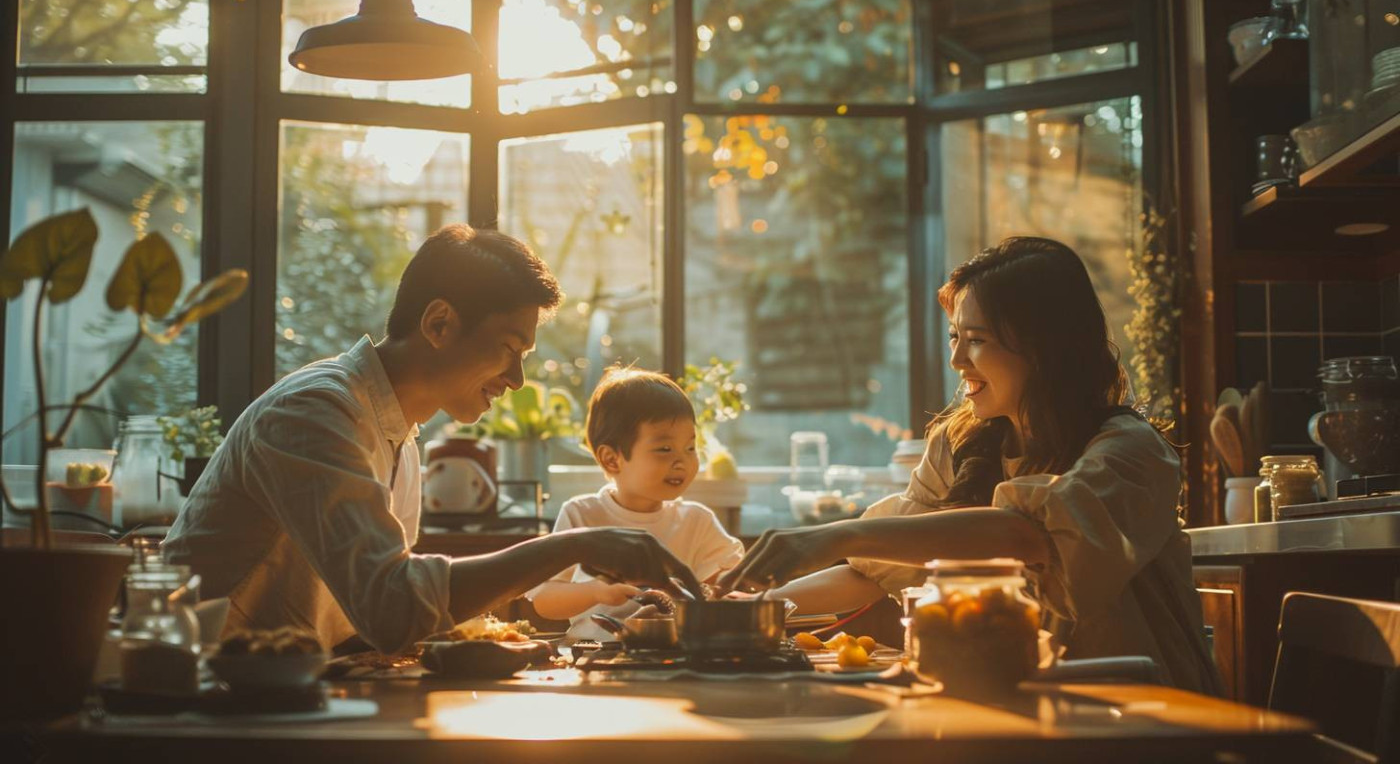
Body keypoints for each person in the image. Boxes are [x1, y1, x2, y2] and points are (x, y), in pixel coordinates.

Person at [163, 226, 702, 654]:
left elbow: (369, 621)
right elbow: (391, 605)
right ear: (440, 323)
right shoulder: (315, 412)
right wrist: (578, 544)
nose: (516, 380)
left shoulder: (400, 433)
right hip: (204, 702)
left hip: (286, 693)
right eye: (509, 348)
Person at [719, 236, 1221, 694]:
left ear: (1046, 349)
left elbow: (1029, 538)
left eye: (977, 339)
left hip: (1139, 711)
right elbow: (875, 571)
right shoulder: (957, 443)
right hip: (1008, 702)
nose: (957, 359)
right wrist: (741, 610)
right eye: (955, 337)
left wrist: (838, 534)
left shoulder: (1130, 452)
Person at [529, 368, 744, 634]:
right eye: (664, 449)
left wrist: (718, 589)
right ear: (612, 459)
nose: (682, 461)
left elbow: (725, 585)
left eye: (690, 448)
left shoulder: (697, 521)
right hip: (595, 659)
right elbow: (544, 601)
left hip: (676, 658)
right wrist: (596, 592)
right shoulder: (582, 515)